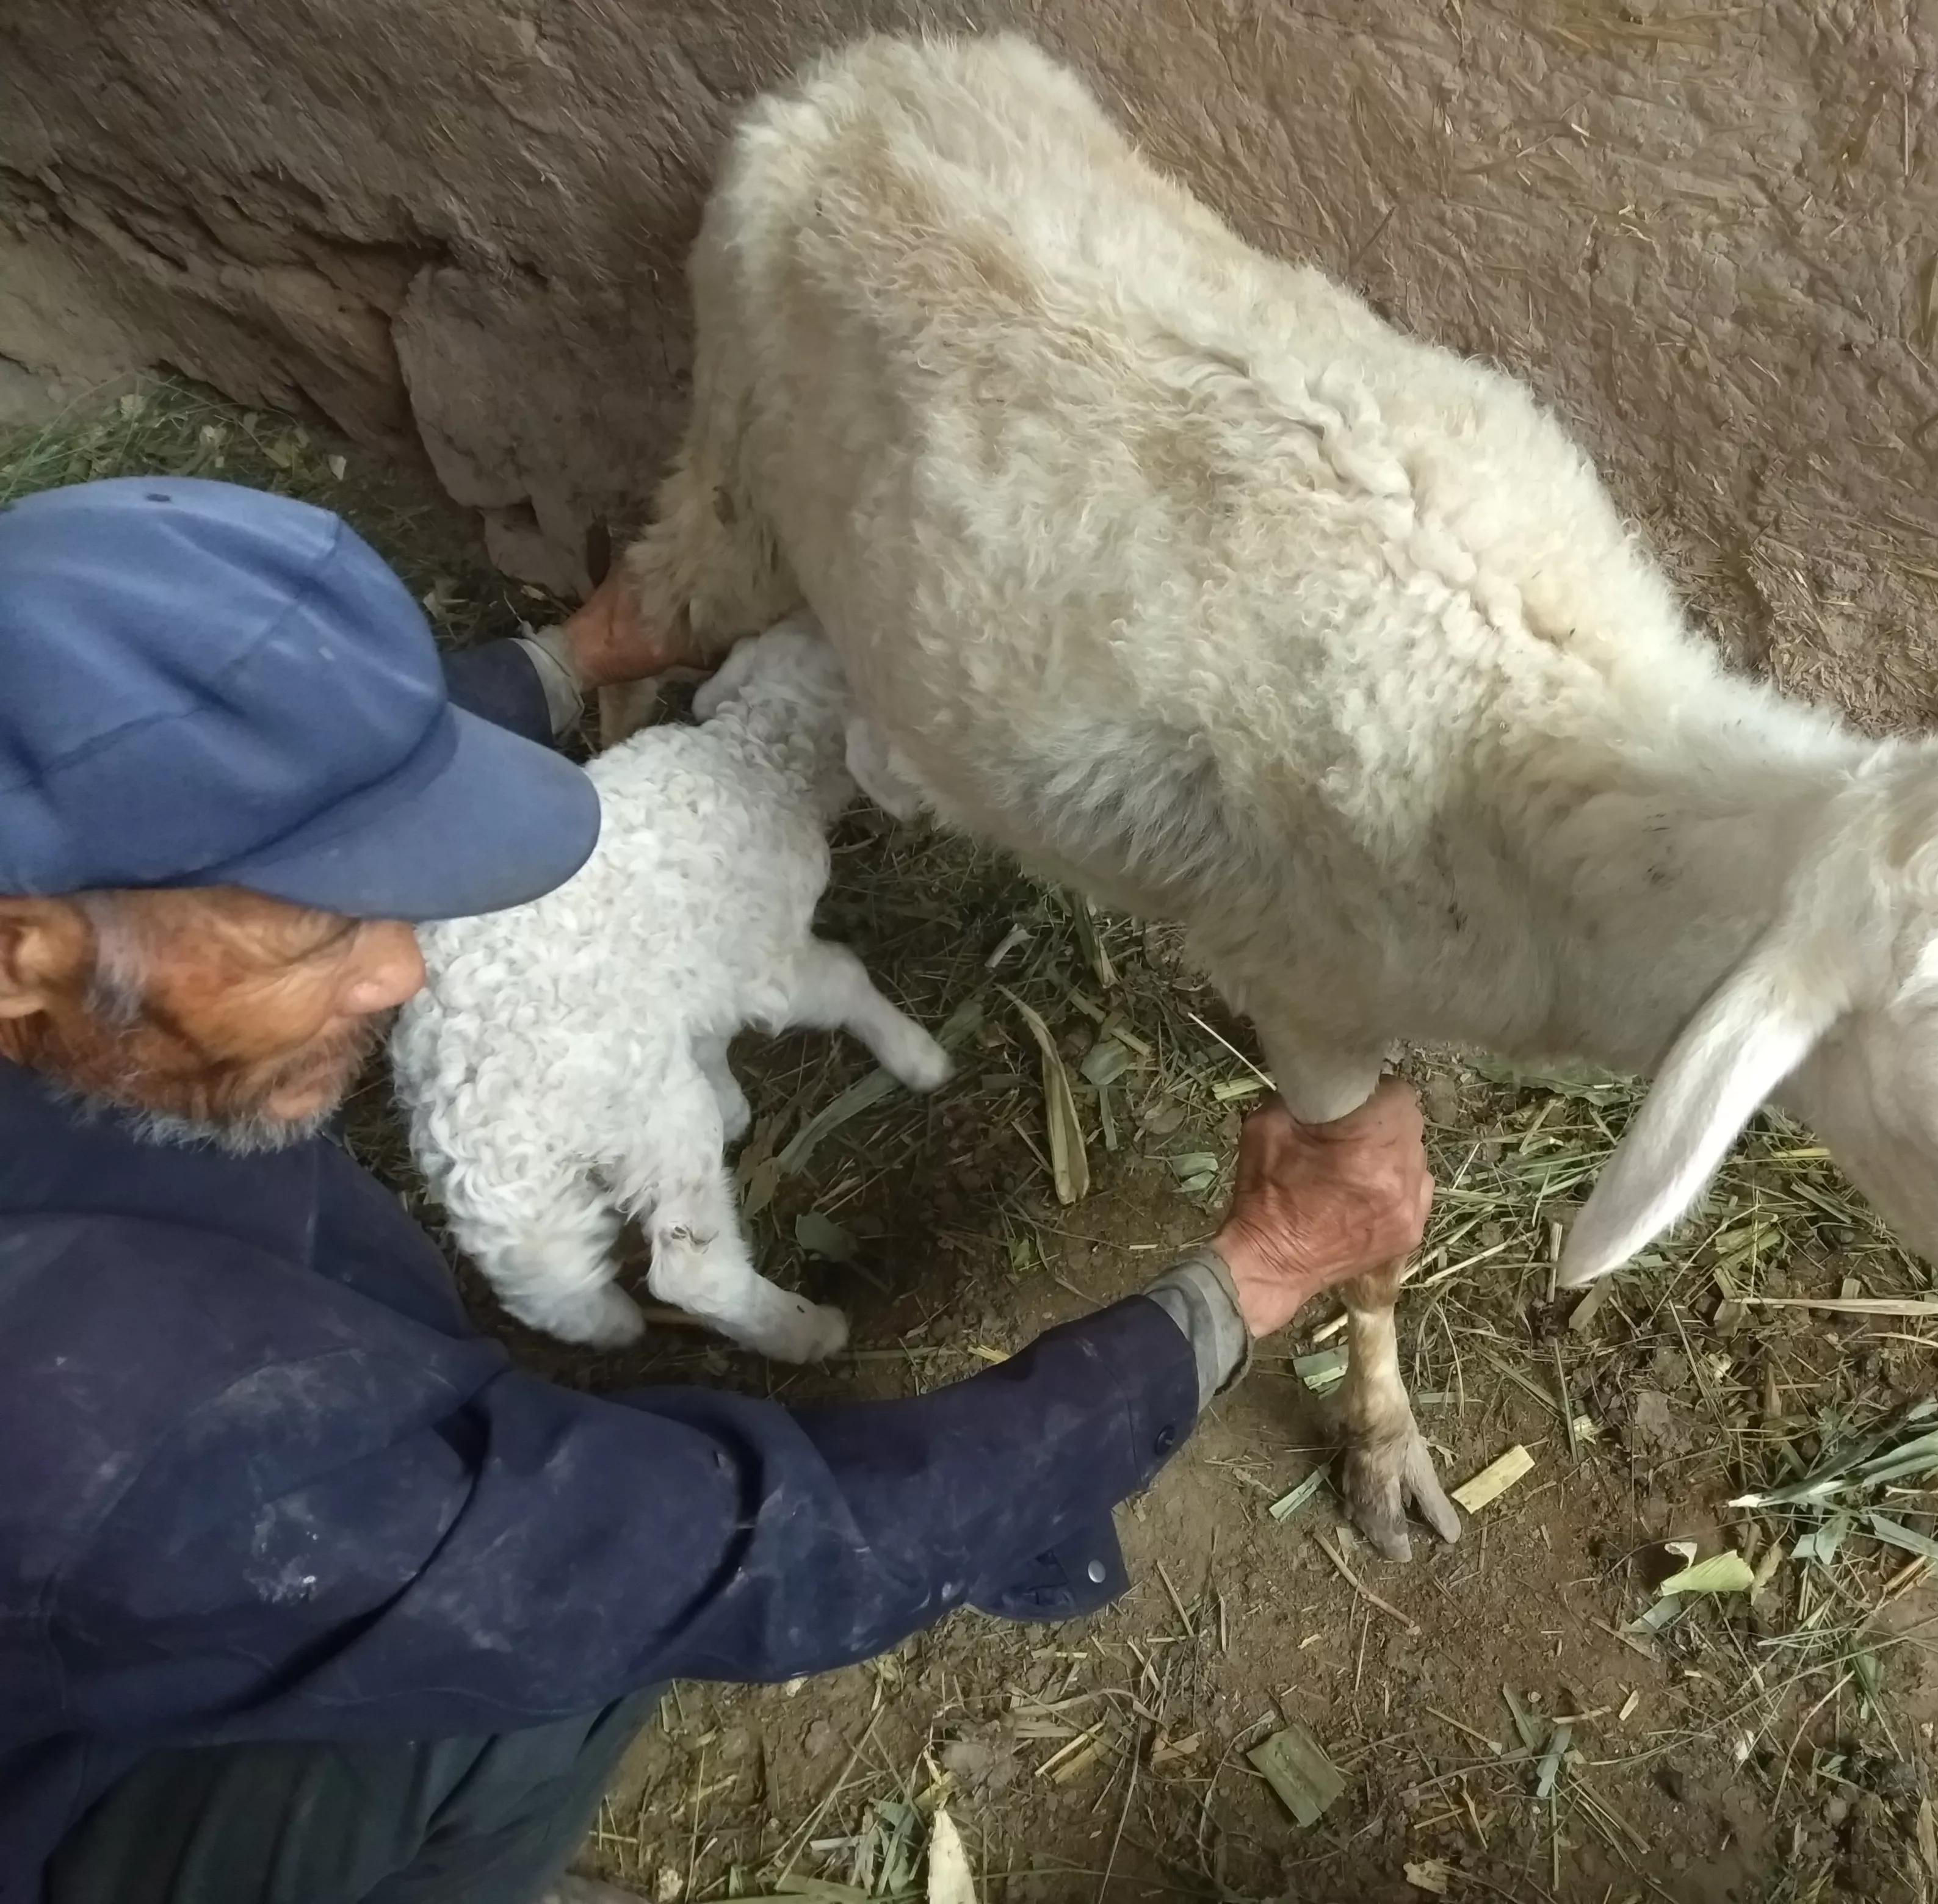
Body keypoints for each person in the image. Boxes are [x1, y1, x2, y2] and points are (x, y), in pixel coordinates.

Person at [0, 477, 1433, 1904]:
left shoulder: (66, 935)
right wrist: (1245, 1280)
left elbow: (225, 783)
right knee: (529, 1689)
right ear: (24, 952)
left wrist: (566, 660)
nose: (402, 971)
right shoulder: (137, 1429)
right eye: (319, 931)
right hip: (67, 1785)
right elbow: (711, 1553)